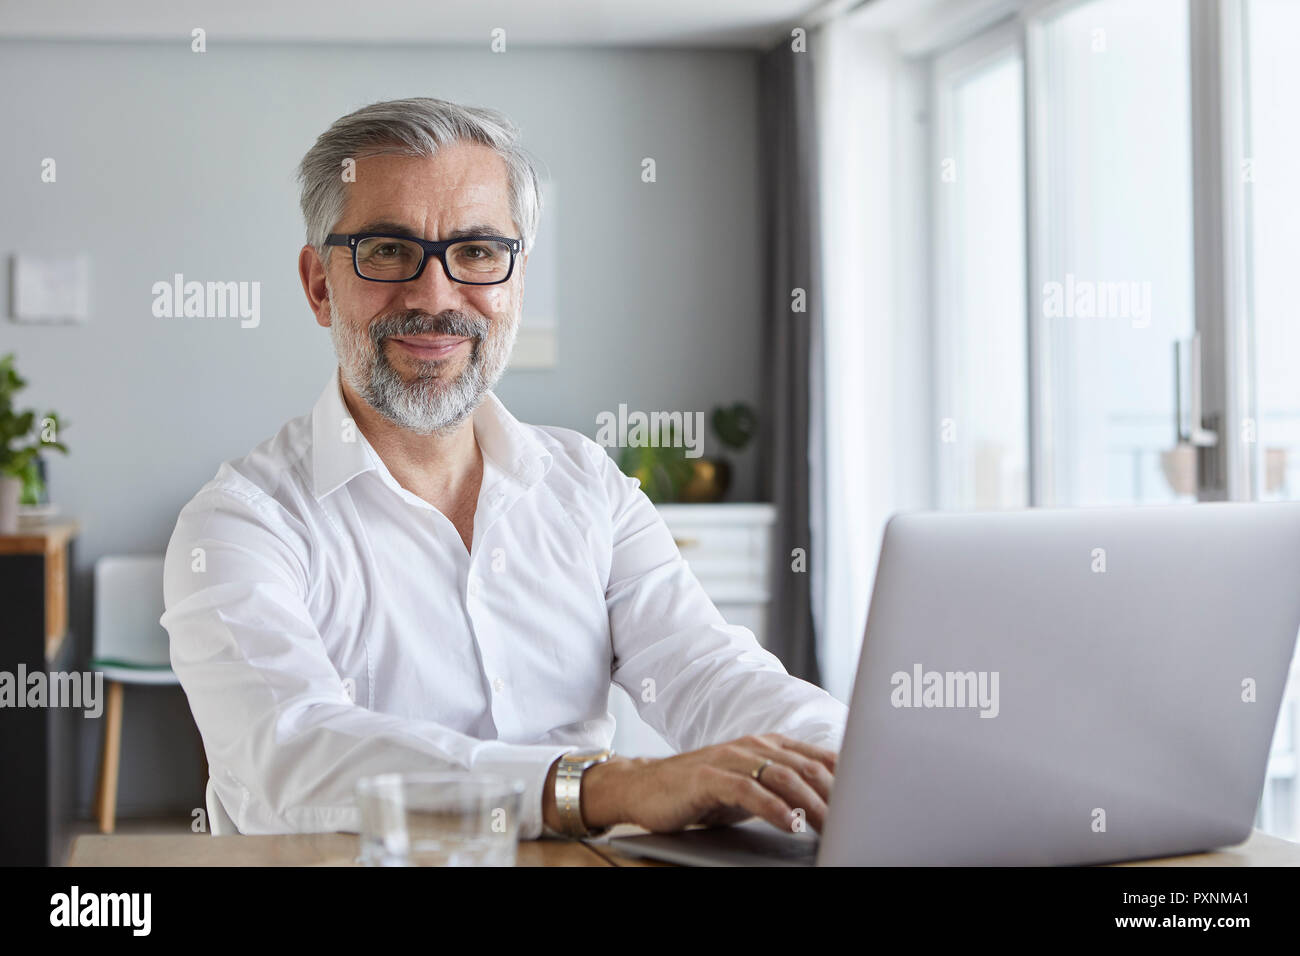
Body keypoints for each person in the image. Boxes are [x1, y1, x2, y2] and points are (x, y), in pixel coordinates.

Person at [161, 97, 847, 842]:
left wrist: (849, 762)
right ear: (320, 285)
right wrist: (600, 787)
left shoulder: (590, 488)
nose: (434, 296)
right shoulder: (238, 524)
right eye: (387, 251)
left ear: (515, 282)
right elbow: (290, 760)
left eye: (478, 252)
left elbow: (710, 673)